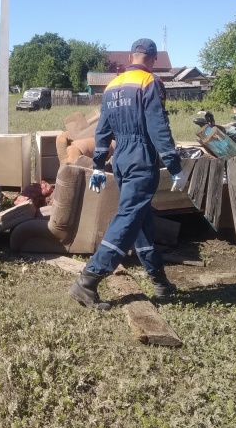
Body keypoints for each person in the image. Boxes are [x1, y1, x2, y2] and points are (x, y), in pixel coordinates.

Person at [68, 38, 187, 310]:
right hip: (141, 156)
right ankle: (88, 280)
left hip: (121, 156)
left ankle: (159, 281)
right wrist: (174, 164)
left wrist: (99, 164)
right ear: (153, 59)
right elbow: (158, 126)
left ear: (131, 57)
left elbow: (103, 131)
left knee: (140, 218)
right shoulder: (150, 83)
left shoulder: (112, 86)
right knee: (129, 216)